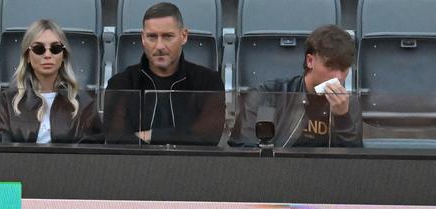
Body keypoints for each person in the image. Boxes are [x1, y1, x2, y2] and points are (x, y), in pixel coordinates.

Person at [104, 2, 225, 146]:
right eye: (152, 37)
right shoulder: (121, 83)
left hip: (193, 166)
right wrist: (181, 134)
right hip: (136, 166)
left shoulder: (209, 82)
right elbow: (115, 139)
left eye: (168, 36)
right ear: (143, 38)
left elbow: (207, 137)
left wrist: (150, 135)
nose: (160, 46)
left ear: (184, 36)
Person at [228, 24, 362, 149]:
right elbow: (243, 151)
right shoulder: (269, 94)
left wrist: (342, 118)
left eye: (344, 68)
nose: (338, 76)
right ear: (310, 61)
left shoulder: (349, 104)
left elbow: (356, 165)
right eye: (331, 66)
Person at [0, 19, 101, 143]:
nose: (47, 55)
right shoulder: (7, 102)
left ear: (63, 56)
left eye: (55, 48)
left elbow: (91, 155)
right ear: (28, 56)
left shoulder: (84, 103)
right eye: (39, 49)